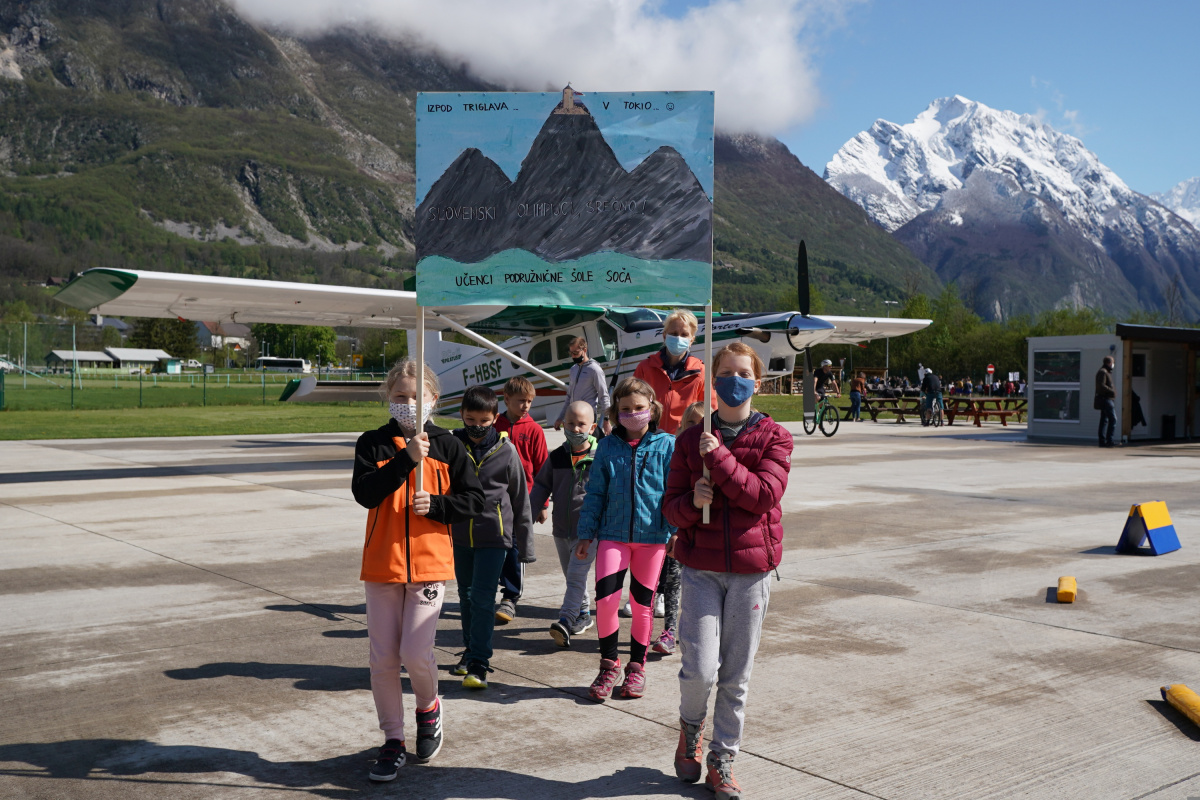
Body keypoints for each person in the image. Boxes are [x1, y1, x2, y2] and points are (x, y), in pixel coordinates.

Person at [663, 342, 793, 798]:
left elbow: (762, 496)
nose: (734, 380)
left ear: (757, 382)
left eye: (743, 373)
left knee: (736, 675)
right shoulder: (689, 441)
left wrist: (717, 457)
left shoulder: (776, 437)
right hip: (700, 569)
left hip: (750, 572)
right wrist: (691, 501)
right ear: (713, 381)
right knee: (699, 670)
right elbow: (670, 508)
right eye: (726, 372)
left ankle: (722, 758)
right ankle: (690, 728)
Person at [352, 359, 485, 781]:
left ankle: (428, 708)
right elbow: (365, 493)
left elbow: (474, 500)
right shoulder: (373, 443)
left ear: (433, 399)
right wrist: (405, 460)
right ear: (388, 399)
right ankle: (392, 739)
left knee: (414, 652)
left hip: (429, 565)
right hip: (382, 565)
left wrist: (440, 506)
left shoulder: (449, 445)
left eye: (416, 397)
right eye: (399, 397)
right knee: (383, 659)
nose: (408, 404)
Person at [575, 377, 675, 702]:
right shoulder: (606, 446)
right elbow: (595, 493)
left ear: (652, 409)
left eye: (639, 407)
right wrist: (586, 533)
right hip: (612, 536)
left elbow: (674, 492)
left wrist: (675, 531)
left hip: (652, 538)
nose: (633, 414)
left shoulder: (667, 445)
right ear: (616, 413)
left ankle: (636, 668)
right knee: (605, 601)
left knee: (642, 605)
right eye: (626, 409)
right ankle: (609, 665)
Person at [450, 384, 535, 690]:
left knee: (483, 598)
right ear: (462, 415)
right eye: (470, 420)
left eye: (484, 421)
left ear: (495, 418)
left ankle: (479, 662)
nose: (476, 427)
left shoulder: (506, 451)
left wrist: (525, 546)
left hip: (495, 538)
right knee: (465, 596)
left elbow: (520, 500)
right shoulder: (451, 445)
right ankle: (469, 650)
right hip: (460, 536)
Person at [531, 400, 600, 648]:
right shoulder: (558, 456)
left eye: (581, 424)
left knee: (575, 576)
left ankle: (565, 620)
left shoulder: (599, 458)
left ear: (592, 427)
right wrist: (529, 514)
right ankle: (583, 613)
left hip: (588, 532)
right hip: (561, 530)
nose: (575, 429)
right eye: (570, 423)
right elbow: (541, 485)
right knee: (571, 575)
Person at [652, 400, 705, 657]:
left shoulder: (714, 456)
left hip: (705, 535)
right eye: (689, 423)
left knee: (699, 586)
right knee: (672, 581)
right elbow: (668, 494)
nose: (694, 428)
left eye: (700, 423)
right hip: (677, 529)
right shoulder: (676, 454)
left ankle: (696, 631)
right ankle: (670, 630)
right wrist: (674, 530)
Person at [493, 376, 548, 625]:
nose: (526, 406)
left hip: (523, 499)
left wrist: (543, 504)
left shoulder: (534, 430)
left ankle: (511, 596)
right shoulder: (494, 424)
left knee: (516, 546)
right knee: (495, 543)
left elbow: (542, 468)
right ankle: (492, 586)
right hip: (495, 498)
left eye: (529, 401)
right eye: (521, 401)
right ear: (506, 399)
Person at [634, 309, 719, 435]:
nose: (678, 338)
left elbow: (710, 413)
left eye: (684, 335)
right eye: (673, 333)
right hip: (650, 439)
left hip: (686, 440)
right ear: (664, 336)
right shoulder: (645, 368)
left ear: (691, 340)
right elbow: (633, 405)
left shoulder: (702, 372)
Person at [554, 336, 611, 435]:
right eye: (571, 353)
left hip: (587, 416)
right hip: (573, 415)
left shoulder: (594, 369)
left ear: (584, 350)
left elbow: (604, 395)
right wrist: (560, 418)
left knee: (590, 443)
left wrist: (607, 420)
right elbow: (569, 396)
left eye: (575, 353)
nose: (573, 356)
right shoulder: (573, 369)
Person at [1095, 355, 1117, 447]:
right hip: (1106, 399)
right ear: (1109, 363)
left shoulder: (1105, 371)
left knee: (1104, 420)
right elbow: (1101, 386)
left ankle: (1103, 441)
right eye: (1113, 363)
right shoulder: (1103, 372)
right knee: (1113, 419)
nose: (1113, 365)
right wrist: (1112, 391)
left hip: (1106, 399)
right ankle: (1109, 440)